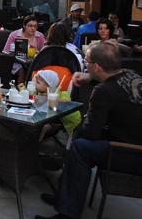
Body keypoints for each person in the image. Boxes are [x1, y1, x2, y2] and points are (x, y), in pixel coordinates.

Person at [35, 41, 142, 219]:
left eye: (87, 62)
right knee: (78, 137)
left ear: (97, 66)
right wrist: (89, 77)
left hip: (132, 154)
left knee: (80, 147)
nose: (84, 64)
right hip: (131, 140)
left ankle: (67, 214)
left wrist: (84, 120)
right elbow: (113, 81)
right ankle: (65, 196)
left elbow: (91, 133)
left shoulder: (104, 91)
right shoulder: (133, 74)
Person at [3, 15, 46, 82]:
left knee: (34, 70)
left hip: (32, 62)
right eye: (30, 26)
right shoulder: (14, 35)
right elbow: (5, 52)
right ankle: (21, 90)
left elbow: (43, 52)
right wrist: (13, 53)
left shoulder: (40, 36)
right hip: (15, 62)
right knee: (21, 71)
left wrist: (37, 52)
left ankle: (31, 89)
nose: (33, 28)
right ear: (24, 25)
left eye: (35, 26)